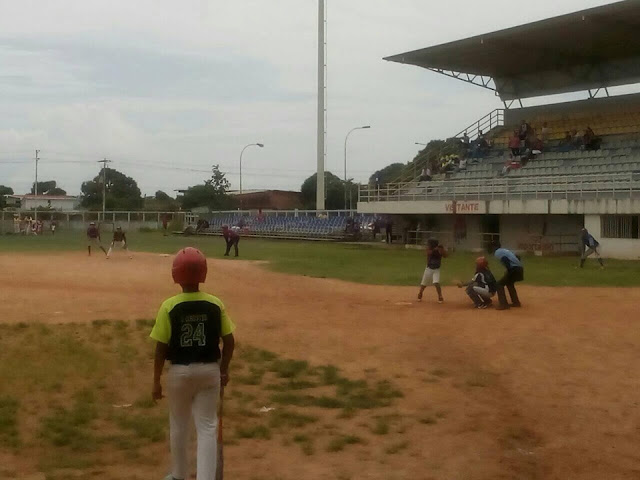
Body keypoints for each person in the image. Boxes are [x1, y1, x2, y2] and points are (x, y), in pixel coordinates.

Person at [150, 247, 235, 480]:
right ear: (203, 273)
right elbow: (229, 341)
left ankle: (178, 475)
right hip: (209, 372)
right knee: (207, 427)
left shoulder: (169, 306)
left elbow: (160, 348)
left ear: (175, 275)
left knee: (179, 424)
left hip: (179, 373)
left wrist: (156, 381)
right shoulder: (215, 304)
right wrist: (224, 369)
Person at [493, 243, 524, 310]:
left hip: (514, 269)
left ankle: (503, 305)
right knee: (509, 283)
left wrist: (509, 270)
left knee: (499, 284)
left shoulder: (497, 252)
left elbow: (505, 259)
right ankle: (516, 302)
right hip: (519, 268)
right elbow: (517, 256)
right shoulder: (505, 250)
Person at [418, 238, 447, 304]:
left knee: (436, 282)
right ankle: (420, 293)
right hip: (429, 269)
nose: (428, 245)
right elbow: (429, 253)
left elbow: (446, 256)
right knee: (423, 284)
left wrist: (442, 250)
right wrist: (436, 249)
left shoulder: (439, 250)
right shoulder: (429, 250)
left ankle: (440, 296)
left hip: (436, 269)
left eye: (429, 244)